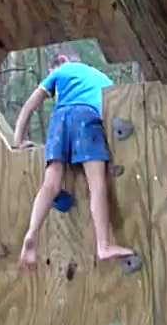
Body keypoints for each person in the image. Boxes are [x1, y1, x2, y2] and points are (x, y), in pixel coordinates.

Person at [12, 55, 134, 268]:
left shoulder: (59, 72)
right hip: (87, 118)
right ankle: (103, 245)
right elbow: (116, 108)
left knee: (51, 183)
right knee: (96, 185)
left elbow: (28, 107)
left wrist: (18, 141)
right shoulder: (100, 77)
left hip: (59, 121)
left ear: (58, 64)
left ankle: (32, 234)